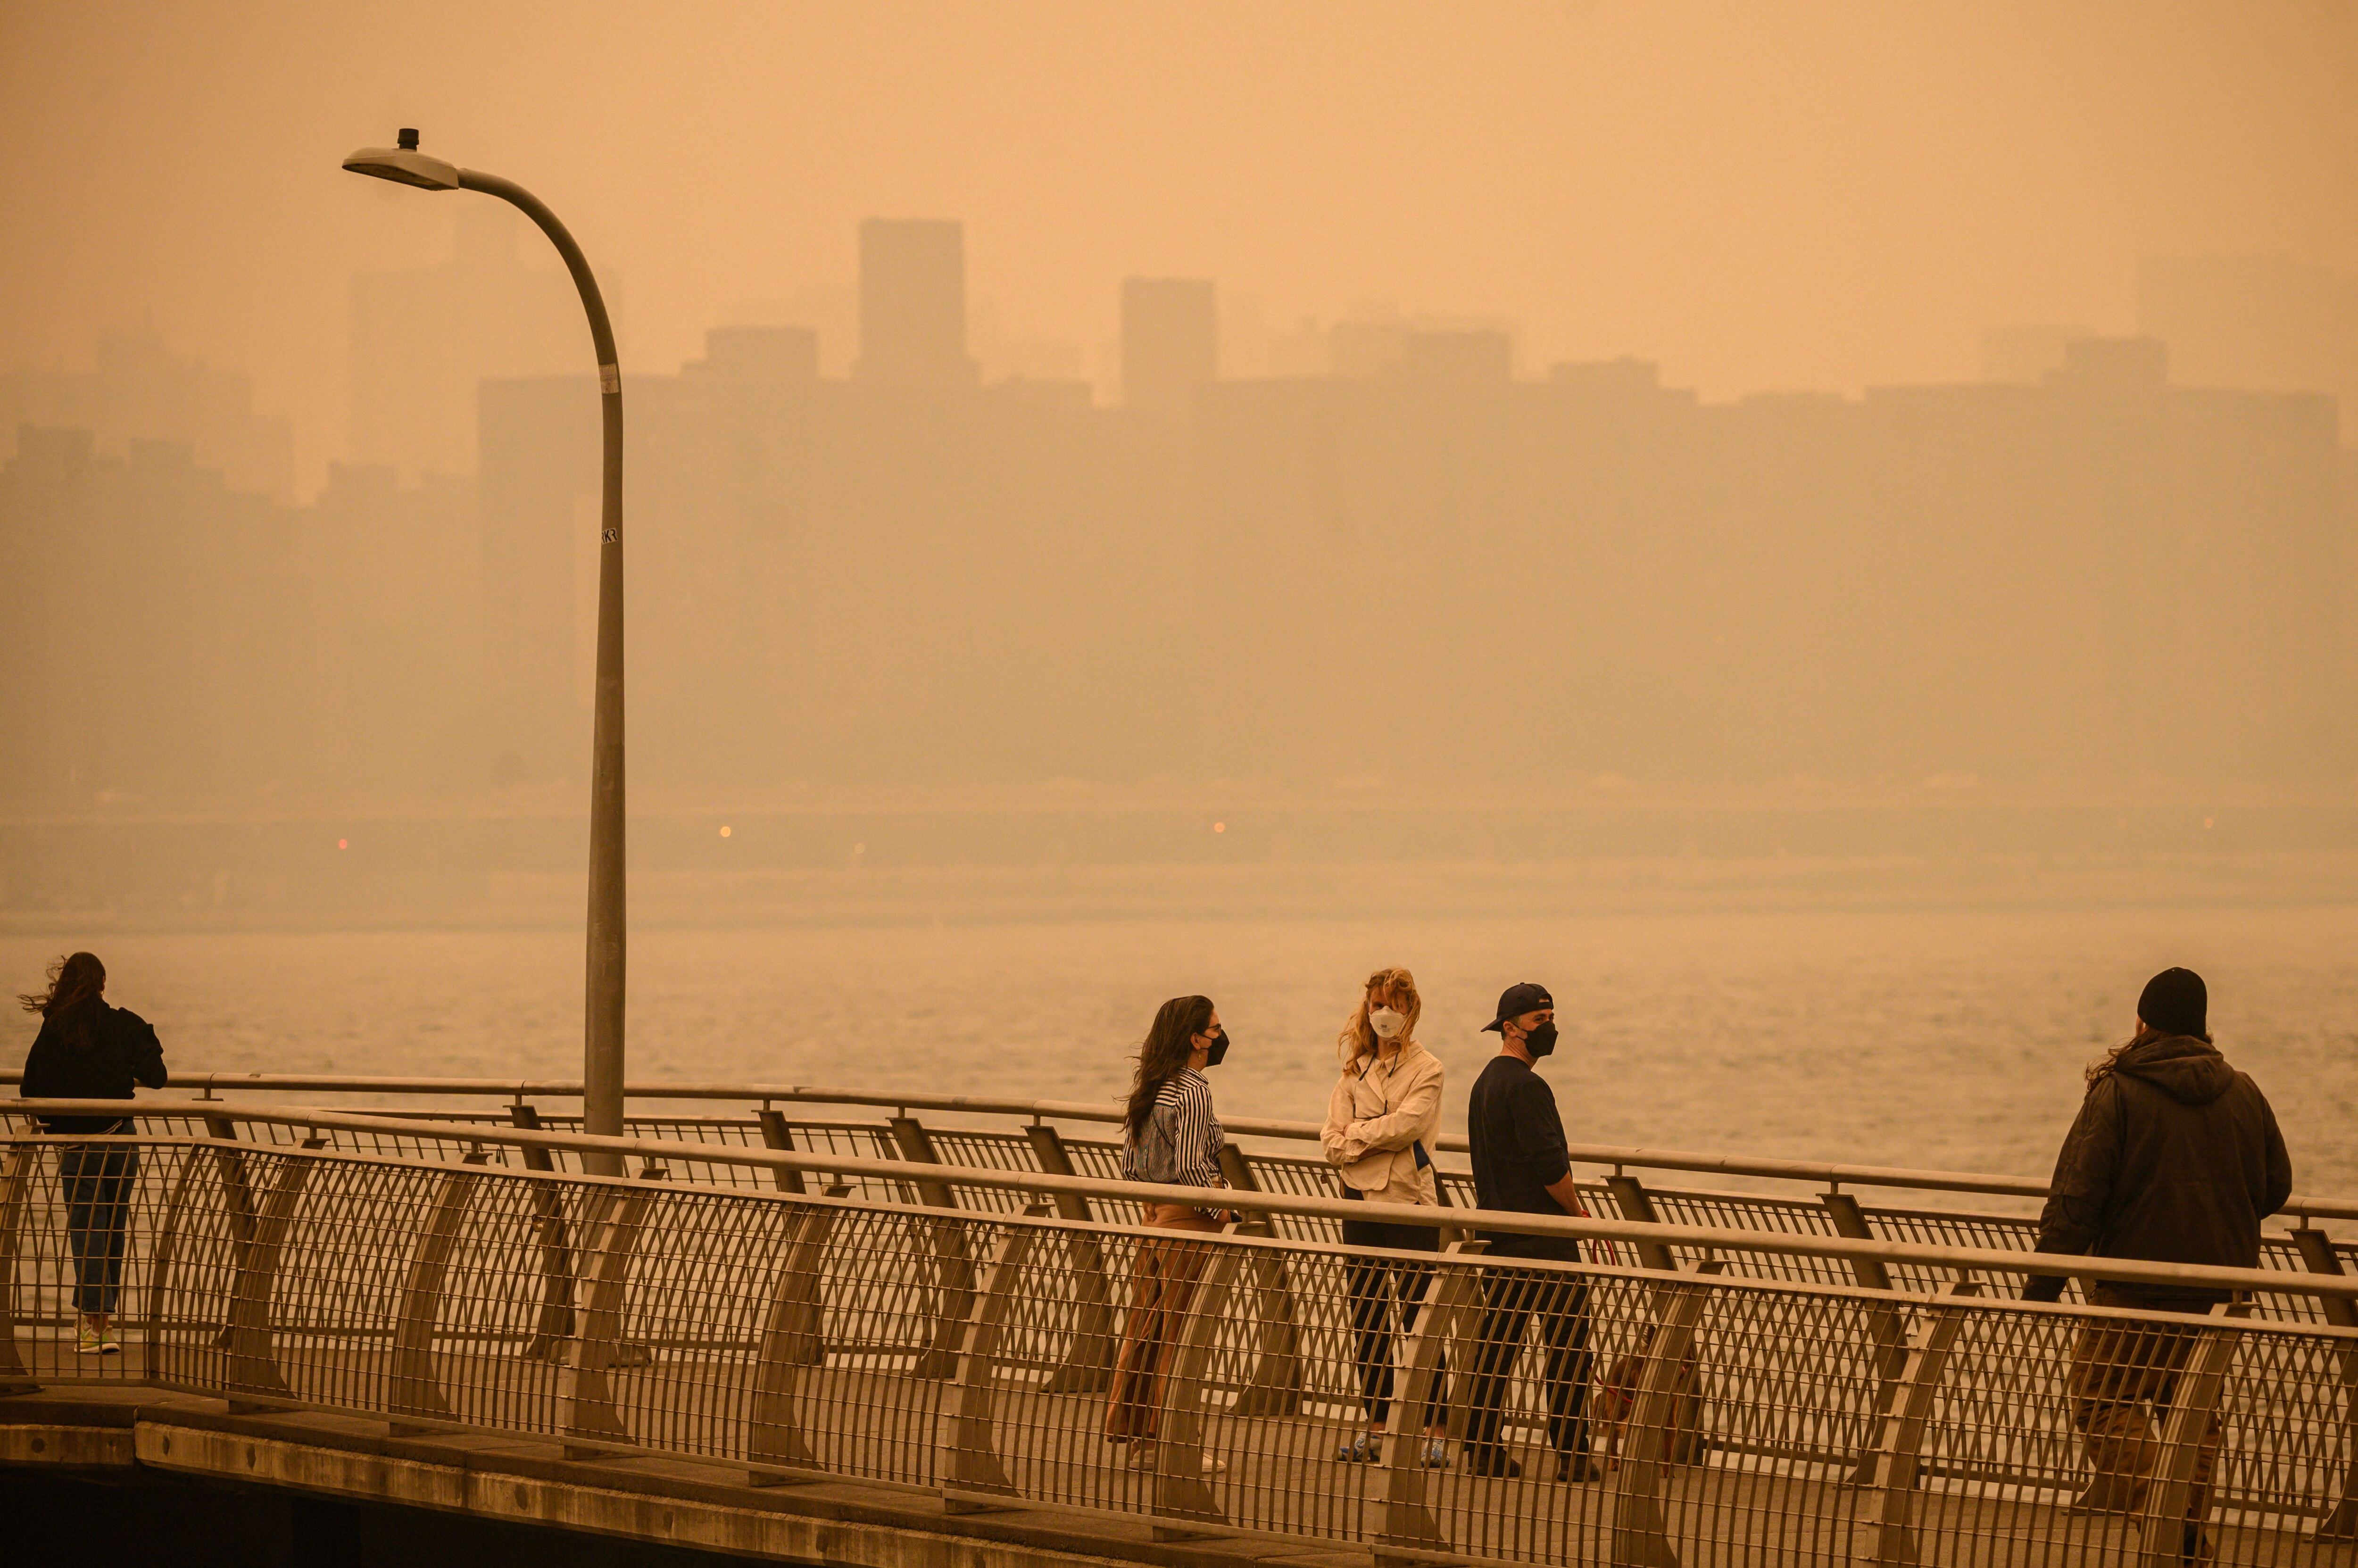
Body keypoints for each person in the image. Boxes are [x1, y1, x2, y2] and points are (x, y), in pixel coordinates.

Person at [2022, 968, 2291, 1565]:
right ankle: (2184, 1537)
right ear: (2201, 1027)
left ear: (2141, 1023)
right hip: (2220, 1290)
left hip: (2131, 1291)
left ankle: (2172, 1531)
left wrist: (2043, 1282)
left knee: (2099, 1402)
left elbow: (2076, 1198)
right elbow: (2274, 1187)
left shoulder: (2117, 1091)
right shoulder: (2243, 1090)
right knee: (2192, 1415)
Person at [1461, 981, 1598, 1481]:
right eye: (1540, 1021)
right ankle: (1572, 1455)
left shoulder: (1484, 1084)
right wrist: (1577, 1212)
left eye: (1550, 1018)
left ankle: (1481, 1447)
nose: (1550, 1028)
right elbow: (1549, 1166)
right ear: (1509, 1027)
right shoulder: (1527, 1087)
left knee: (1496, 1347)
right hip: (1544, 1237)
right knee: (1567, 1348)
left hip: (1499, 1232)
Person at [1320, 966, 1451, 1468]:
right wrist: (1357, 1137)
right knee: (1367, 1312)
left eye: (1393, 1004)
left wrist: (1357, 1135)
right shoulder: (1354, 1069)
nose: (1383, 1014)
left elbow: (1409, 1126)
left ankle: (1434, 1423)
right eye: (1376, 1003)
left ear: (1410, 1009)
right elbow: (1329, 1135)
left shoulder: (1428, 1068)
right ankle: (1376, 1421)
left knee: (1419, 1313)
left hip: (1407, 1202)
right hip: (1357, 1199)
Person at [1105, 994, 1233, 1474]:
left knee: (1148, 1330)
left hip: (1152, 1220)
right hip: (1187, 1224)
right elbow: (1192, 1167)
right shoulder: (1193, 1090)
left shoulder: (1151, 1088)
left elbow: (1129, 1167)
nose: (1221, 1037)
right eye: (1216, 1029)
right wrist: (1225, 1209)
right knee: (1183, 1338)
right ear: (1195, 1038)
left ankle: (1141, 1438)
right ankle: (1178, 1442)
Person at [17, 951, 167, 1355]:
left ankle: (93, 1326)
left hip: (81, 1146)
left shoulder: (57, 1029)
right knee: (114, 1230)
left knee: (89, 1234)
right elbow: (157, 1077)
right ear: (102, 984)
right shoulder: (122, 1024)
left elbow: (30, 1088)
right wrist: (119, 1072)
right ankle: (104, 1320)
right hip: (122, 1137)